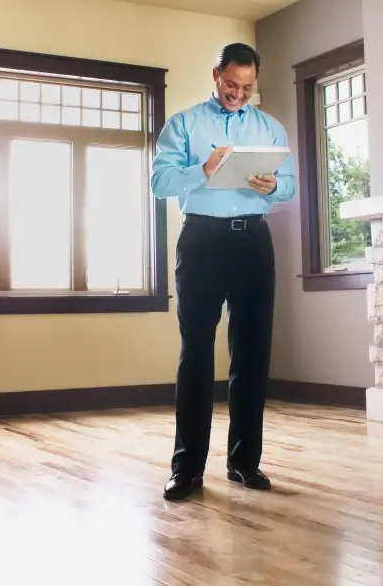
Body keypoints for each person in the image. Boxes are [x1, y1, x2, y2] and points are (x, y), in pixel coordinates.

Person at [151, 42, 296, 501]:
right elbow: (159, 182)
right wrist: (202, 169)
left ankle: (244, 463)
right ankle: (187, 469)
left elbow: (289, 186)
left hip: (253, 240)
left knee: (252, 354)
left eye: (248, 88)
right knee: (196, 351)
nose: (239, 94)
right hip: (202, 240)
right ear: (216, 75)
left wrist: (274, 185)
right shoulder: (185, 124)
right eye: (232, 85)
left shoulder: (270, 128)